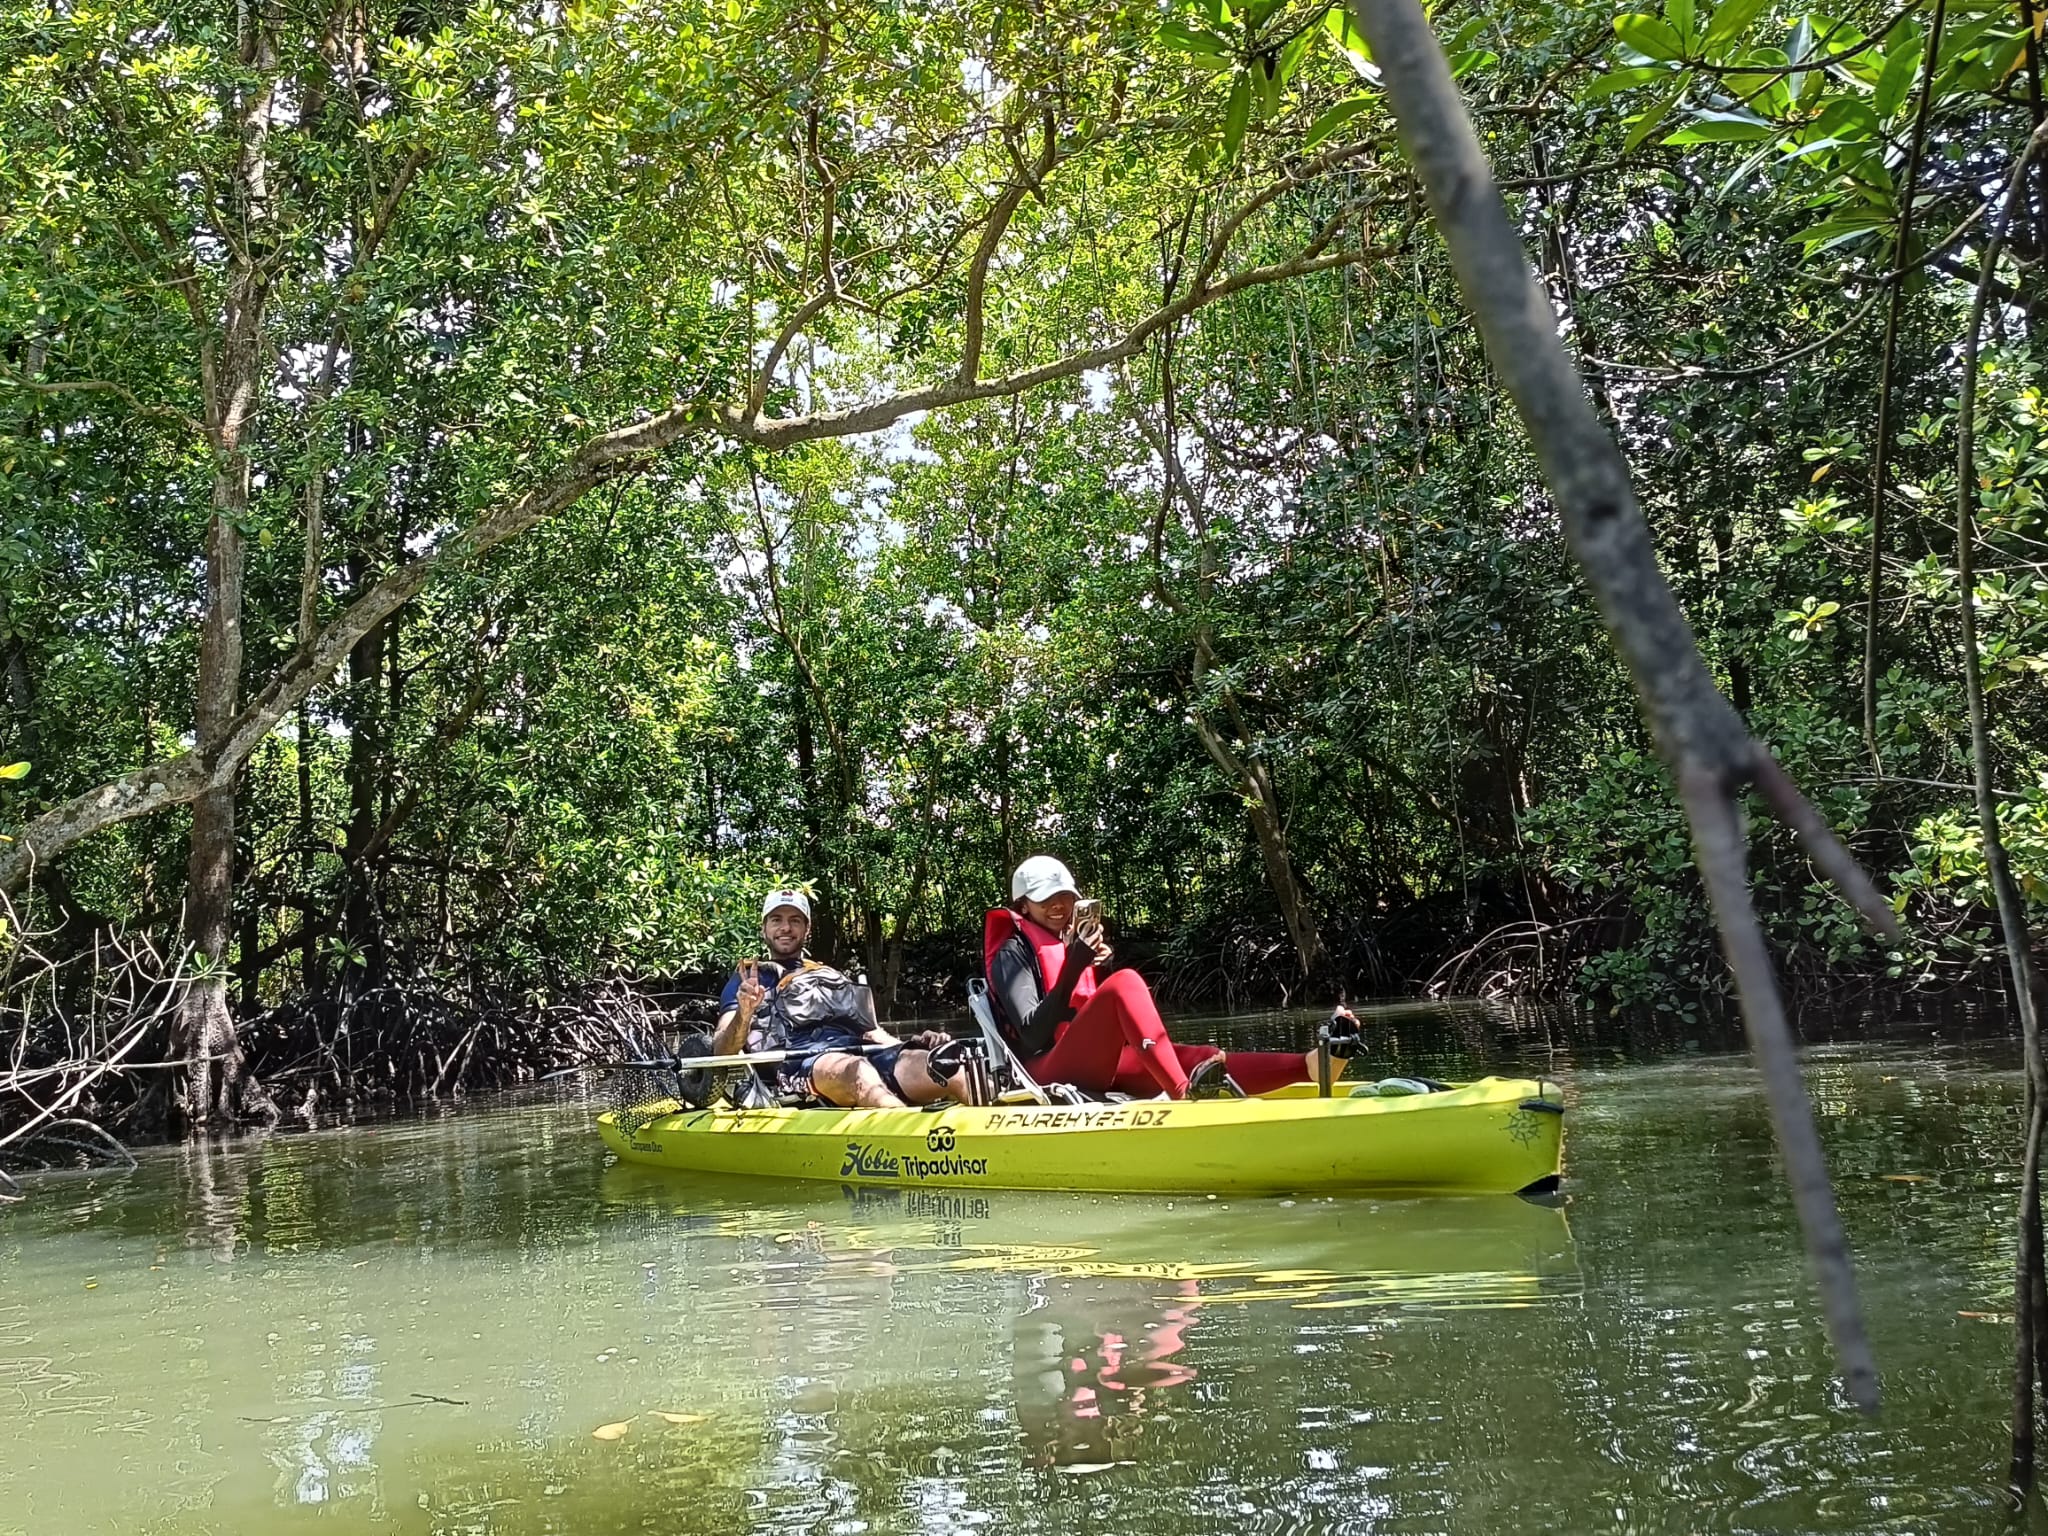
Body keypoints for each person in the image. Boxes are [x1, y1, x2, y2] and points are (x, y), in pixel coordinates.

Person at [984, 857, 1351, 1099]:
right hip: (1041, 1070)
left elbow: (1081, 1010)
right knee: (1126, 982)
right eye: (1047, 898)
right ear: (1022, 905)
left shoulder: (1068, 943)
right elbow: (1031, 1033)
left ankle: (1307, 1066)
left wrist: (1094, 965)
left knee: (1204, 1060)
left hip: (1090, 1063)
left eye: (1065, 896)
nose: (1059, 906)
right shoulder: (1011, 953)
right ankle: (1181, 1094)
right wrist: (1077, 966)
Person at [714, 887, 969, 1109]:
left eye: (795, 920)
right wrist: (744, 1013)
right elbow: (722, 1051)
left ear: (807, 929)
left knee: (946, 1067)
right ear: (764, 928)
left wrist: (912, 1045)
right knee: (859, 1072)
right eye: (776, 920)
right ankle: (911, 1145)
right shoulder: (746, 980)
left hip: (860, 1054)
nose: (785, 927)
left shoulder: (829, 974)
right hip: (801, 1067)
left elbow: (872, 1032)